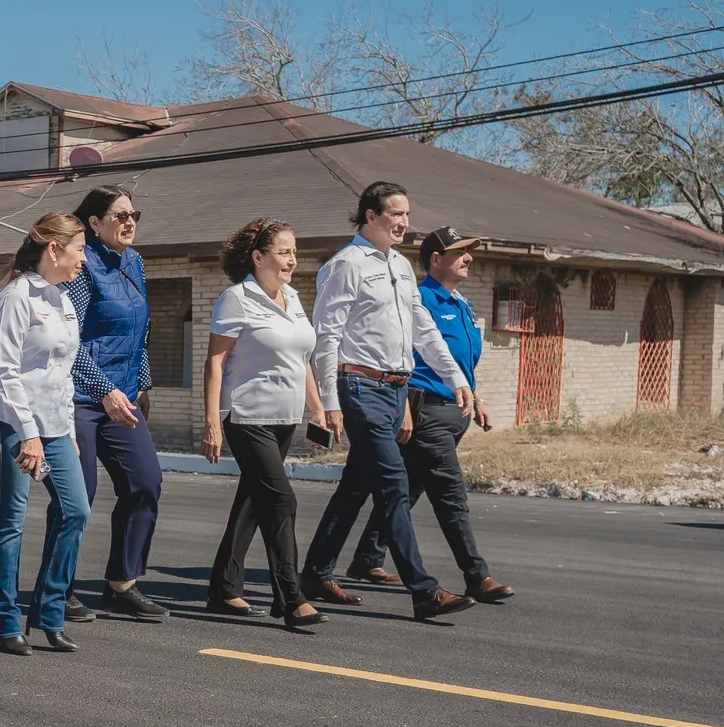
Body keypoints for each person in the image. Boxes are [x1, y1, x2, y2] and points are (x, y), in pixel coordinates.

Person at [299, 182, 479, 621]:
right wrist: (329, 402)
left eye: (406, 214)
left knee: (355, 486)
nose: (404, 223)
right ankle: (425, 591)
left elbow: (423, 330)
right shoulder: (345, 265)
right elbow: (327, 337)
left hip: (396, 390)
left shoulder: (400, 265)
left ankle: (315, 574)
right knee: (395, 483)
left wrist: (455, 377)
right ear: (371, 216)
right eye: (396, 214)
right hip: (360, 387)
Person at [341, 226, 516, 601]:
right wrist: (403, 405)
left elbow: (460, 360)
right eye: (459, 252)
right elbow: (404, 356)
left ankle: (367, 558)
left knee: (404, 488)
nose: (468, 258)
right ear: (436, 260)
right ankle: (476, 575)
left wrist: (475, 397)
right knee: (451, 495)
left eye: (469, 251)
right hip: (426, 412)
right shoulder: (419, 299)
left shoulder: (460, 303)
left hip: (452, 411)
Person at [199, 219, 327, 631]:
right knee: (281, 502)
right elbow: (215, 363)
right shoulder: (237, 299)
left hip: (285, 418)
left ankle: (223, 588)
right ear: (259, 257)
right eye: (284, 252)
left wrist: (317, 409)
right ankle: (290, 598)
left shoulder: (293, 297)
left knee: (253, 503)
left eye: (294, 252)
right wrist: (212, 421)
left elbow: (301, 359)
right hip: (247, 416)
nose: (292, 259)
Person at [0, 213, 92, 655]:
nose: (83, 259)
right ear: (54, 249)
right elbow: (5, 373)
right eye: (79, 249)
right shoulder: (16, 297)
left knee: (76, 511)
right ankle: (7, 622)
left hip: (55, 428)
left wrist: (67, 430)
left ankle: (49, 613)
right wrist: (27, 434)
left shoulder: (63, 300)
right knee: (13, 520)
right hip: (15, 425)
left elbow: (62, 373)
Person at [66, 186, 166, 622]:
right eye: (119, 215)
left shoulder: (133, 262)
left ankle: (122, 584)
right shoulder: (81, 265)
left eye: (133, 215)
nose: (129, 222)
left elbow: (139, 332)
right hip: (79, 398)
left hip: (122, 396)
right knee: (78, 495)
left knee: (145, 481)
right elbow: (67, 339)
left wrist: (141, 384)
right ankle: (60, 588)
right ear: (94, 222)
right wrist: (103, 389)